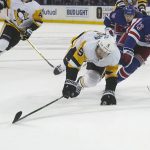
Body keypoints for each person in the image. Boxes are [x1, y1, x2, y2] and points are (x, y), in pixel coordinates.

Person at [60, 31, 120, 105]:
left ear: (109, 53)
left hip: (93, 53)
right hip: (83, 40)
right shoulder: (87, 46)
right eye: (100, 50)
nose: (100, 54)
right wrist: (69, 82)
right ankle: (62, 66)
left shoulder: (114, 57)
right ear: (97, 45)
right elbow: (74, 65)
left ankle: (80, 83)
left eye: (104, 53)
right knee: (67, 60)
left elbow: (111, 74)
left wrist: (110, 91)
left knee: (93, 80)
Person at [117, 17, 150, 82]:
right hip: (130, 37)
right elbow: (133, 36)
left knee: (132, 66)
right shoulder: (146, 22)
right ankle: (99, 71)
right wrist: (128, 51)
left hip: (146, 47)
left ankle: (113, 83)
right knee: (117, 57)